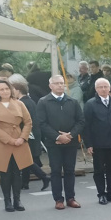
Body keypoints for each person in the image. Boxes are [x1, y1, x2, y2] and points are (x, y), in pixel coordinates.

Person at [36, 74, 84, 209]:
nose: (60, 85)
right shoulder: (43, 102)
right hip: (53, 143)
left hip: (71, 142)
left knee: (69, 170)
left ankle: (70, 198)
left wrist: (70, 135)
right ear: (50, 86)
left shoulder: (72, 102)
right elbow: (41, 123)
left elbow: (81, 121)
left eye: (62, 83)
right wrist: (57, 137)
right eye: (57, 83)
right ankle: (58, 199)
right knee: (56, 170)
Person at [0, 78, 33, 213]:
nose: (5, 91)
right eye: (2, 89)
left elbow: (28, 122)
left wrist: (22, 138)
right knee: (5, 173)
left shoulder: (19, 103)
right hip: (2, 142)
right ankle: (7, 200)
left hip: (19, 141)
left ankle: (17, 199)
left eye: (7, 89)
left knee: (17, 172)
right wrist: (10, 140)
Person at [83, 78, 111, 205]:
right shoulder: (90, 104)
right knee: (99, 171)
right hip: (98, 143)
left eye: (105, 87)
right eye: (100, 87)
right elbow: (87, 126)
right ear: (96, 89)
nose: (103, 89)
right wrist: (89, 144)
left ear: (109, 88)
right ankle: (101, 194)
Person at [8, 77, 52, 192]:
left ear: (17, 90)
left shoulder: (21, 103)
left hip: (27, 134)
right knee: (27, 158)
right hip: (33, 133)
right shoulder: (30, 101)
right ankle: (25, 182)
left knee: (26, 159)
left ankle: (44, 176)